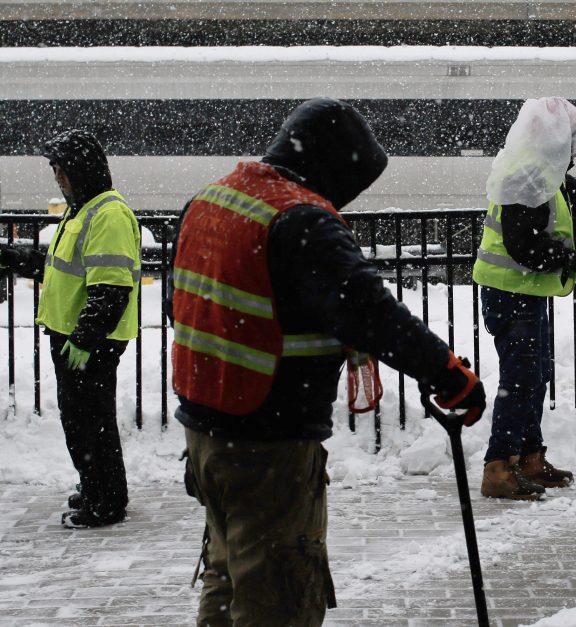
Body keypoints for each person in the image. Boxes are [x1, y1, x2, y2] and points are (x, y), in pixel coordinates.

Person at [167, 97, 486, 626]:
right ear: (332, 166)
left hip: (207, 436)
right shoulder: (299, 221)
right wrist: (446, 374)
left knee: (227, 578)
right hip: (269, 443)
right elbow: (369, 312)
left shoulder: (212, 200)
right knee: (280, 598)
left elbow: (181, 303)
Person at [472, 96, 576, 500]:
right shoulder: (525, 175)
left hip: (527, 291)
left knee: (536, 373)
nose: (575, 153)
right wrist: (570, 259)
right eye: (571, 142)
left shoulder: (544, 170)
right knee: (521, 378)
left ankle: (528, 458)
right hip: (510, 291)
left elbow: (572, 195)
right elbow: (522, 245)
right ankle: (498, 467)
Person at [0, 129, 141, 529]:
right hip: (75, 337)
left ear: (83, 170)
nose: (57, 179)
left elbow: (111, 286)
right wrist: (14, 257)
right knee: (81, 420)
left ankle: (107, 501)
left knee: (90, 422)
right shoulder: (83, 209)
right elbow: (60, 270)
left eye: (62, 171)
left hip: (88, 341)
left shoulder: (107, 214)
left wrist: (84, 338)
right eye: (55, 171)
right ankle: (96, 486)